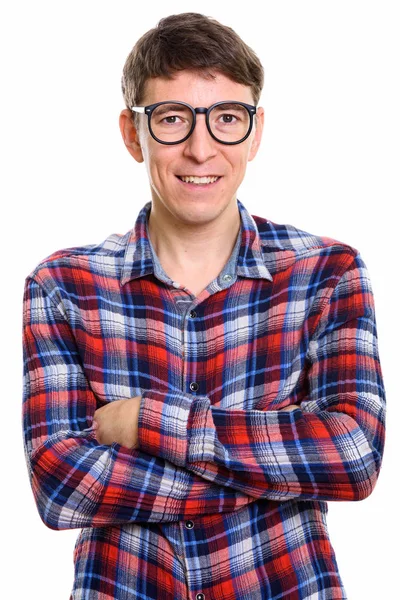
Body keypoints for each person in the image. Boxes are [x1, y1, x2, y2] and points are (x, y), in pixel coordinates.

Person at [22, 12, 386, 600]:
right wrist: (272, 472)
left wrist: (147, 422)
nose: (200, 149)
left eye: (226, 119)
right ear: (132, 133)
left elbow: (352, 456)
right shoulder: (63, 286)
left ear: (256, 131)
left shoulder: (328, 274)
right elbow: (61, 487)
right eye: (171, 119)